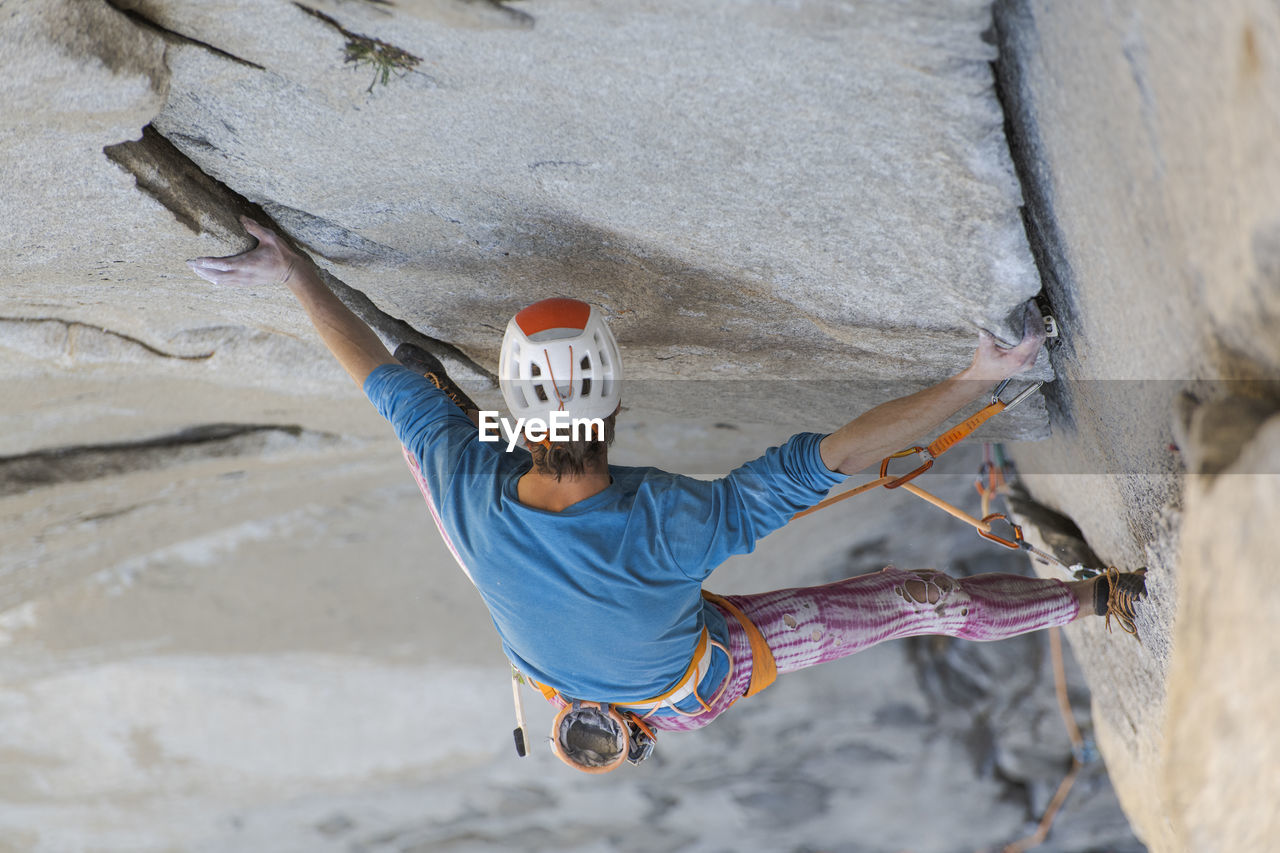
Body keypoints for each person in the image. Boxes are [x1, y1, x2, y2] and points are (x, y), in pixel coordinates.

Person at [189, 218, 1148, 774]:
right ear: (614, 413)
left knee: (418, 423)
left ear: (519, 424)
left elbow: (374, 374)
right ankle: (1102, 598)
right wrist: (983, 374)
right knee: (914, 601)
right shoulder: (671, 523)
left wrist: (293, 275)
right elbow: (832, 456)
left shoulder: (465, 476)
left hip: (552, 636)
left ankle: (1098, 599)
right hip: (697, 678)